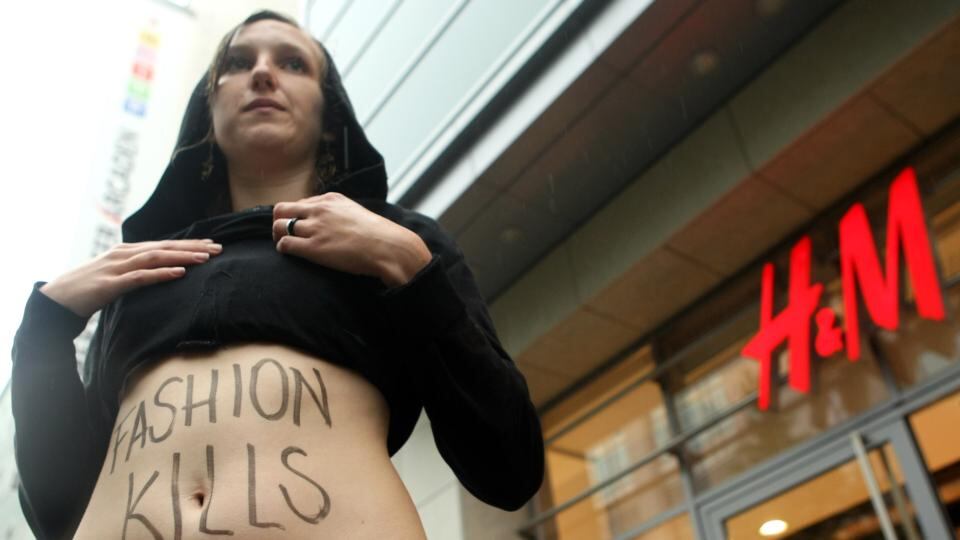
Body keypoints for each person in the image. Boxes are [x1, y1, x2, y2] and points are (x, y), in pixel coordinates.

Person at [11, 10, 544, 540]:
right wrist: (45, 327)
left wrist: (409, 264)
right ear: (208, 110)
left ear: (329, 115)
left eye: (292, 63)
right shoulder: (140, 271)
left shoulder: (395, 240)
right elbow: (61, 512)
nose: (263, 73)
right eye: (238, 63)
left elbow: (508, 466)